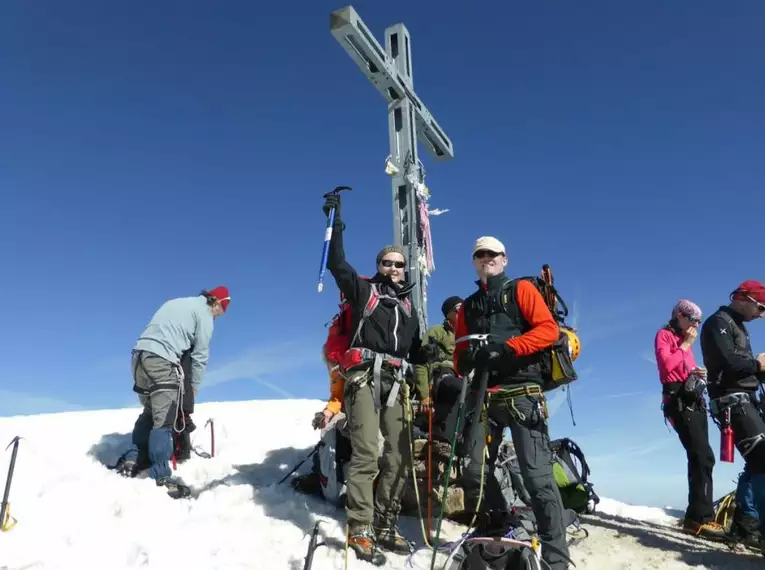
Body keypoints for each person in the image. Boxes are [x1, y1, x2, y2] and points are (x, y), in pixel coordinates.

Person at [321, 191, 428, 565]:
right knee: (367, 451)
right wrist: (336, 222)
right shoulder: (364, 291)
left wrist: (426, 387)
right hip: (365, 378)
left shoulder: (410, 310)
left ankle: (386, 521)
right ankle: (361, 528)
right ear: (379, 265)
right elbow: (337, 264)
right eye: (387, 263)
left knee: (398, 456)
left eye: (399, 264)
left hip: (397, 384)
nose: (394, 268)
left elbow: (418, 354)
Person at [453, 236, 571, 570]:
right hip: (482, 395)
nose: (486, 258)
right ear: (474, 262)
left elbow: (548, 330)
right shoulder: (468, 307)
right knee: (474, 469)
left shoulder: (521, 290)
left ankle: (556, 559)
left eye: (492, 254)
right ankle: (498, 524)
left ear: (504, 260)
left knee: (537, 478)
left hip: (522, 393)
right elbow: (458, 355)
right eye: (480, 255)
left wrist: (508, 348)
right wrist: (467, 360)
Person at [114, 287, 230, 498]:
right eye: (219, 312)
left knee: (150, 412)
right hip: (162, 359)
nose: (217, 316)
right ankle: (161, 477)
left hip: (139, 357)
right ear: (216, 303)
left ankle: (133, 459)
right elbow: (200, 355)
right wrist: (193, 387)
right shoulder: (204, 314)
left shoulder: (175, 302)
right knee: (164, 420)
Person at [700, 280, 765, 548]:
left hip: (744, 400)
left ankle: (745, 526)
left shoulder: (736, 326)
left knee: (756, 464)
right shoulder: (718, 323)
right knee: (763, 460)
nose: (762, 314)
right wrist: (757, 364)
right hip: (733, 402)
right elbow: (726, 361)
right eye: (761, 307)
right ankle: (755, 528)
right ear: (743, 298)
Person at [654, 299, 724, 539]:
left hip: (694, 400)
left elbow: (683, 367)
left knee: (702, 456)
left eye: (698, 321)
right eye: (693, 319)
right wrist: (686, 344)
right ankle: (700, 519)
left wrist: (697, 371)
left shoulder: (684, 343)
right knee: (702, 456)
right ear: (680, 316)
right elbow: (666, 365)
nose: (696, 324)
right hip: (678, 401)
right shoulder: (665, 335)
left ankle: (695, 516)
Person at [413, 296, 463, 442]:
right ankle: (446, 435)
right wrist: (424, 395)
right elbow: (421, 362)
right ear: (449, 313)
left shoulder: (467, 334)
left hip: (463, 376)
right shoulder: (436, 332)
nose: (463, 312)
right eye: (459, 309)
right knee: (461, 389)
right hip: (442, 376)